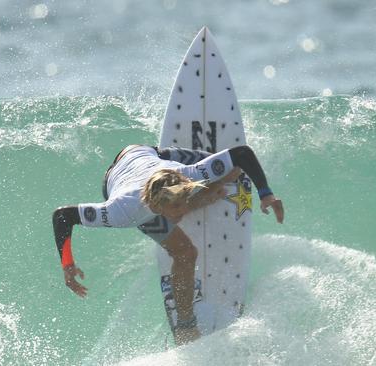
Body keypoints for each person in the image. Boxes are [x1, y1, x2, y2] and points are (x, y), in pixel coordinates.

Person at [52, 144, 284, 345]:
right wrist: (67, 264)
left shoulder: (187, 174)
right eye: (177, 208)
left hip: (147, 155)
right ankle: (186, 323)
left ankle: (210, 188)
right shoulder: (120, 212)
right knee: (186, 253)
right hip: (119, 182)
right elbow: (62, 216)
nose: (182, 212)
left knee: (233, 168)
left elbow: (242, 153)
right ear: (157, 207)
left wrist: (266, 194)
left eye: (184, 202)